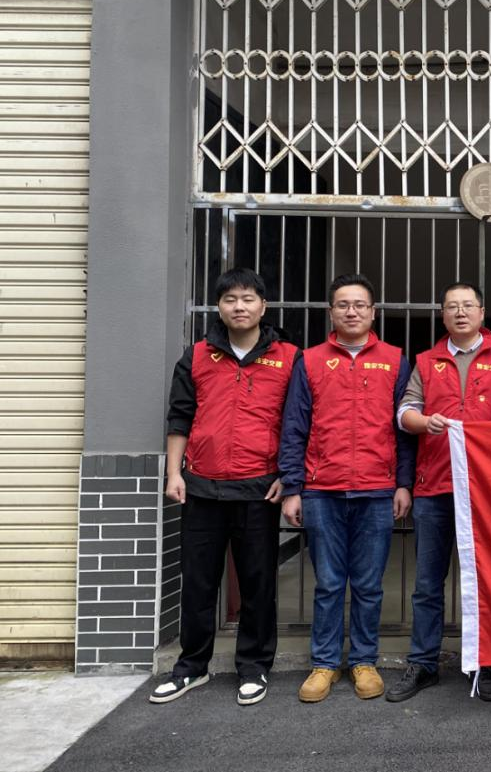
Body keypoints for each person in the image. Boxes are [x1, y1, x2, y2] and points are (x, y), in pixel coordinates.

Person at [150, 268, 298, 707]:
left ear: (263, 306)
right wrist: (174, 474)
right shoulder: (197, 355)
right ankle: (191, 667)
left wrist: (288, 475)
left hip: (260, 489)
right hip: (202, 488)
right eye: (231, 299)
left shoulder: (289, 357)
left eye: (248, 298)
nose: (239, 306)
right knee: (198, 583)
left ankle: (253, 666)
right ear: (219, 306)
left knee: (257, 584)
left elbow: (297, 423)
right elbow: (180, 417)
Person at [279, 274, 415, 703]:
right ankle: (323, 663)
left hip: (377, 489)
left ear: (373, 312)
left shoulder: (395, 360)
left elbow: (404, 431)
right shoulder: (310, 360)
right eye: (343, 304)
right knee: (328, 583)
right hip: (322, 488)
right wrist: (293, 488)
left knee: (369, 584)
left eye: (359, 305)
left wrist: (404, 483)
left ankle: (364, 660)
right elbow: (294, 425)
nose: (351, 311)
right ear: (331, 312)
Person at [386, 282, 491, 704]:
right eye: (452, 307)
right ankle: (423, 663)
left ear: (481, 311)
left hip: (489, 490)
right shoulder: (426, 362)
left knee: (490, 580)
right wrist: (425, 422)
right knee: (427, 583)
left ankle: (489, 663)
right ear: (442, 315)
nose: (460, 313)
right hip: (435, 486)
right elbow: (404, 413)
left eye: (467, 306)